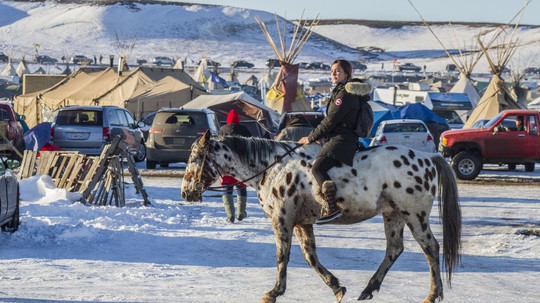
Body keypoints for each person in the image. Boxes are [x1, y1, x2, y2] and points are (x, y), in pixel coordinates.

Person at [298, 59, 372, 224]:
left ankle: (332, 208)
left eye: (337, 71)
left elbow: (331, 120)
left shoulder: (345, 93)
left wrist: (310, 137)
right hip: (339, 138)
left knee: (317, 168)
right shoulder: (340, 91)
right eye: (332, 70)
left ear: (347, 74)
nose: (333, 73)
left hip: (342, 140)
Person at [218, 109, 252, 223]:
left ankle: (230, 215)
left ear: (228, 120)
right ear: (238, 120)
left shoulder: (222, 130)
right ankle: (241, 213)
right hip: (241, 164)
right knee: (241, 187)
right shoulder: (245, 130)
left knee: (227, 188)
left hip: (226, 164)